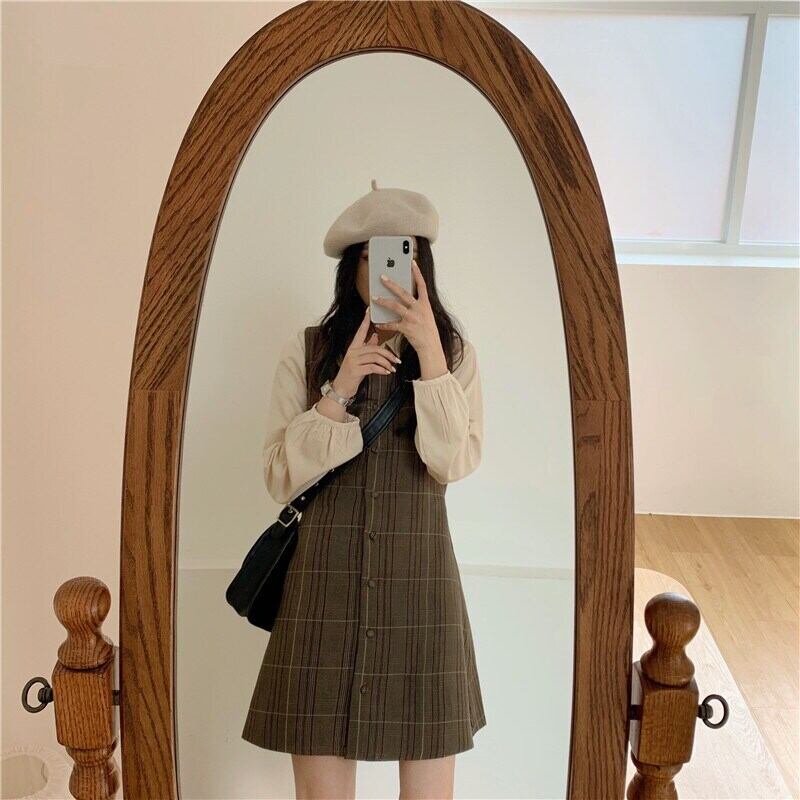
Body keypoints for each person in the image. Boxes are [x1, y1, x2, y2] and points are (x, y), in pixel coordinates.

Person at [241, 180, 486, 799]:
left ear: (422, 266)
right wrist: (341, 388)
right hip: (321, 590)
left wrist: (429, 355)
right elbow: (278, 475)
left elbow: (453, 462)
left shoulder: (455, 355)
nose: (388, 272)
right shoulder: (309, 350)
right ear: (352, 268)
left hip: (422, 590)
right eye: (373, 257)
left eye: (403, 255)